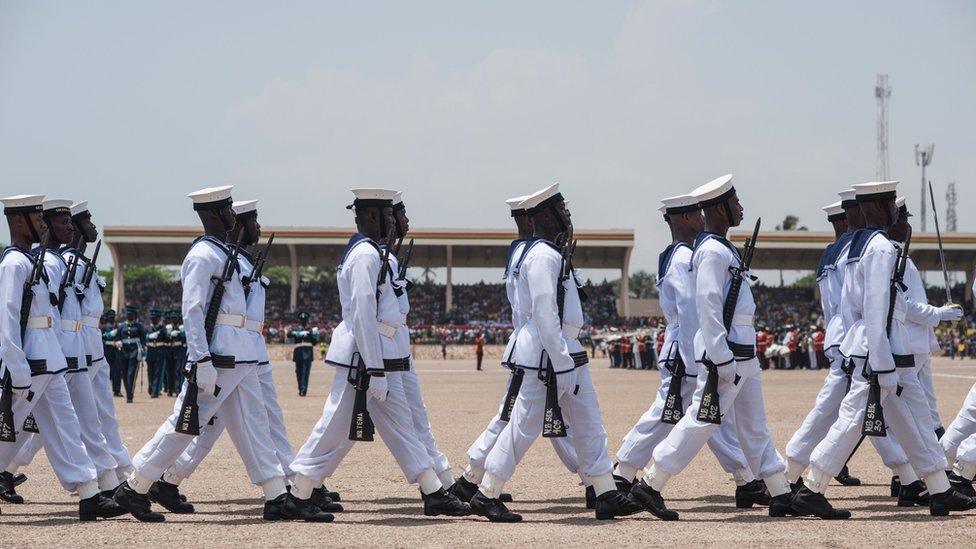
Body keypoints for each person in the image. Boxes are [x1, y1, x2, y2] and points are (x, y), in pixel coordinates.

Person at [113, 186, 300, 523]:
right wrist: (201, 359)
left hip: (239, 353)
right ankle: (135, 485)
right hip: (218, 356)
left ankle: (276, 495)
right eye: (227, 210)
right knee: (184, 425)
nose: (233, 216)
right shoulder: (203, 255)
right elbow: (193, 311)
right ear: (212, 215)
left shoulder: (225, 254)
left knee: (254, 423)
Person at [288, 188, 470, 519]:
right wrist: (374, 368)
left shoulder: (374, 254)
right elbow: (362, 315)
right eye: (389, 216)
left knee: (396, 425)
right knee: (334, 426)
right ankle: (298, 492)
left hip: (379, 356)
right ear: (373, 217)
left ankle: (433, 491)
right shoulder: (365, 256)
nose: (394, 221)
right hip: (364, 357)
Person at [798, 181, 974, 518]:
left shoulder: (861, 246)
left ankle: (939, 487)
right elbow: (877, 308)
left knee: (917, 420)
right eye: (893, 204)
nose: (897, 210)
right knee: (853, 421)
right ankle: (812, 486)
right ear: (878, 208)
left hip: (888, 348)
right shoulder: (878, 248)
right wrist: (881, 363)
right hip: (883, 352)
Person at [469, 183, 639, 522]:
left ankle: (605, 492)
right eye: (563, 210)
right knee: (523, 425)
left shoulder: (550, 252)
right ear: (546, 215)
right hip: (549, 354)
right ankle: (487, 492)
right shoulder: (543, 255)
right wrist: (562, 363)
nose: (568, 215)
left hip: (565, 350)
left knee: (590, 422)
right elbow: (545, 313)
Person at [157, 199, 336, 516]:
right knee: (205, 421)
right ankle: (152, 479)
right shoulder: (221, 260)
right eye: (253, 220)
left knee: (260, 420)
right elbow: (198, 310)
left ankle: (285, 487)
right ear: (237, 224)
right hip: (233, 350)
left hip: (250, 349)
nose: (259, 227)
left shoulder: (240, 260)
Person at [632, 175, 794, 520]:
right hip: (729, 352)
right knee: (702, 420)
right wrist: (720, 355)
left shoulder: (720, 248)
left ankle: (780, 491)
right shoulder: (711, 250)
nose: (741, 208)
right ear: (720, 207)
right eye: (735, 202)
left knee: (754, 426)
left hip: (743, 350)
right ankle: (651, 483)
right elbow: (706, 305)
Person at [613, 194, 765, 510]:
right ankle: (624, 474)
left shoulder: (677, 254)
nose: (702, 218)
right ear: (684, 219)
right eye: (697, 214)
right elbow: (692, 312)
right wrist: (701, 358)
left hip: (685, 349)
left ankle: (746, 479)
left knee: (708, 418)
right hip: (688, 352)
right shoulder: (683, 256)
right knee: (684, 416)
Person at [450, 192, 584, 508]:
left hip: (532, 345)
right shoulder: (533, 253)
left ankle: (595, 477)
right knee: (519, 416)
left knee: (543, 415)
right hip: (536, 346)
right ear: (530, 219)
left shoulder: (523, 252)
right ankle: (472, 479)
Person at [0, 194, 123, 520]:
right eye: (37, 220)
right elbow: (7, 316)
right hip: (30, 360)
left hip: (50, 356)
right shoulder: (13, 263)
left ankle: (88, 492)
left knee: (64, 424)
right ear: (18, 222)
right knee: (7, 426)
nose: (42, 225)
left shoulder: (34, 261)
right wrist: (15, 364)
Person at [784, 197, 866, 491]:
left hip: (836, 333)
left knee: (862, 406)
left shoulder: (828, 254)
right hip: (849, 334)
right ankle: (795, 468)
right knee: (841, 406)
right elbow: (853, 301)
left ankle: (909, 474)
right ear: (847, 219)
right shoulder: (850, 251)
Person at [388, 191, 457, 499]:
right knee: (401, 422)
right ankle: (303, 485)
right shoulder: (370, 257)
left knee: (417, 417)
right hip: (379, 352)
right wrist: (376, 367)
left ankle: (443, 481)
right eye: (402, 215)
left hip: (396, 348)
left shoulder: (386, 257)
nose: (407, 221)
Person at [69, 201, 133, 487]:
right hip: (76, 340)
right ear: (73, 227)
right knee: (52, 415)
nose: (94, 226)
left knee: (102, 410)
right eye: (87, 221)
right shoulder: (66, 263)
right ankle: (6, 466)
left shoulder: (84, 263)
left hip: (93, 342)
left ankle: (120, 469)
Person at [114, 305, 146, 403]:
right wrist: (118, 342)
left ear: (135, 315)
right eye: (128, 314)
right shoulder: (121, 327)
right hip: (123, 352)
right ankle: (128, 391)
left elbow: (143, 339)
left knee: (131, 374)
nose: (129, 316)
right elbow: (116, 338)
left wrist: (142, 351)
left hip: (134, 352)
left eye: (131, 314)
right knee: (124, 373)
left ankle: (129, 395)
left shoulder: (139, 326)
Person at [289, 312, 317, 397]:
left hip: (308, 353)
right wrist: (296, 333)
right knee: (298, 372)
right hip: (298, 353)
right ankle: (300, 388)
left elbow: (314, 343)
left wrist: (314, 335)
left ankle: (303, 390)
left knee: (305, 372)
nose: (303, 321)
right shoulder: (296, 329)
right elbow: (288, 334)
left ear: (307, 320)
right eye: (302, 320)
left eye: (304, 320)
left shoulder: (311, 330)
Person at [146, 309, 166, 398]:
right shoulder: (147, 328)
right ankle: (151, 386)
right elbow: (143, 338)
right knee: (150, 372)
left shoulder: (162, 328)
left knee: (158, 372)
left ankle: (155, 391)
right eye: (152, 318)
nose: (154, 320)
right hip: (150, 352)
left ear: (158, 319)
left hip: (159, 352)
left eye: (155, 318)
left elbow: (166, 338)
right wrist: (148, 337)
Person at [101, 309, 122, 397]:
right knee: (107, 372)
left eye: (113, 317)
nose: (112, 318)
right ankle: (105, 390)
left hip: (116, 351)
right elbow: (102, 338)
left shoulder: (118, 327)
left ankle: (117, 390)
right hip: (107, 351)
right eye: (110, 317)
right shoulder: (104, 327)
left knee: (117, 372)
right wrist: (109, 335)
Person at [165, 310, 185, 396]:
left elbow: (185, 340)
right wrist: (169, 335)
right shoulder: (167, 328)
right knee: (169, 371)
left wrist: (180, 334)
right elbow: (163, 338)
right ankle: (170, 389)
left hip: (178, 352)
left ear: (178, 319)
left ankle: (177, 389)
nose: (173, 320)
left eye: (175, 318)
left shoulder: (182, 328)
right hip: (169, 352)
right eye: (172, 318)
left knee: (177, 371)